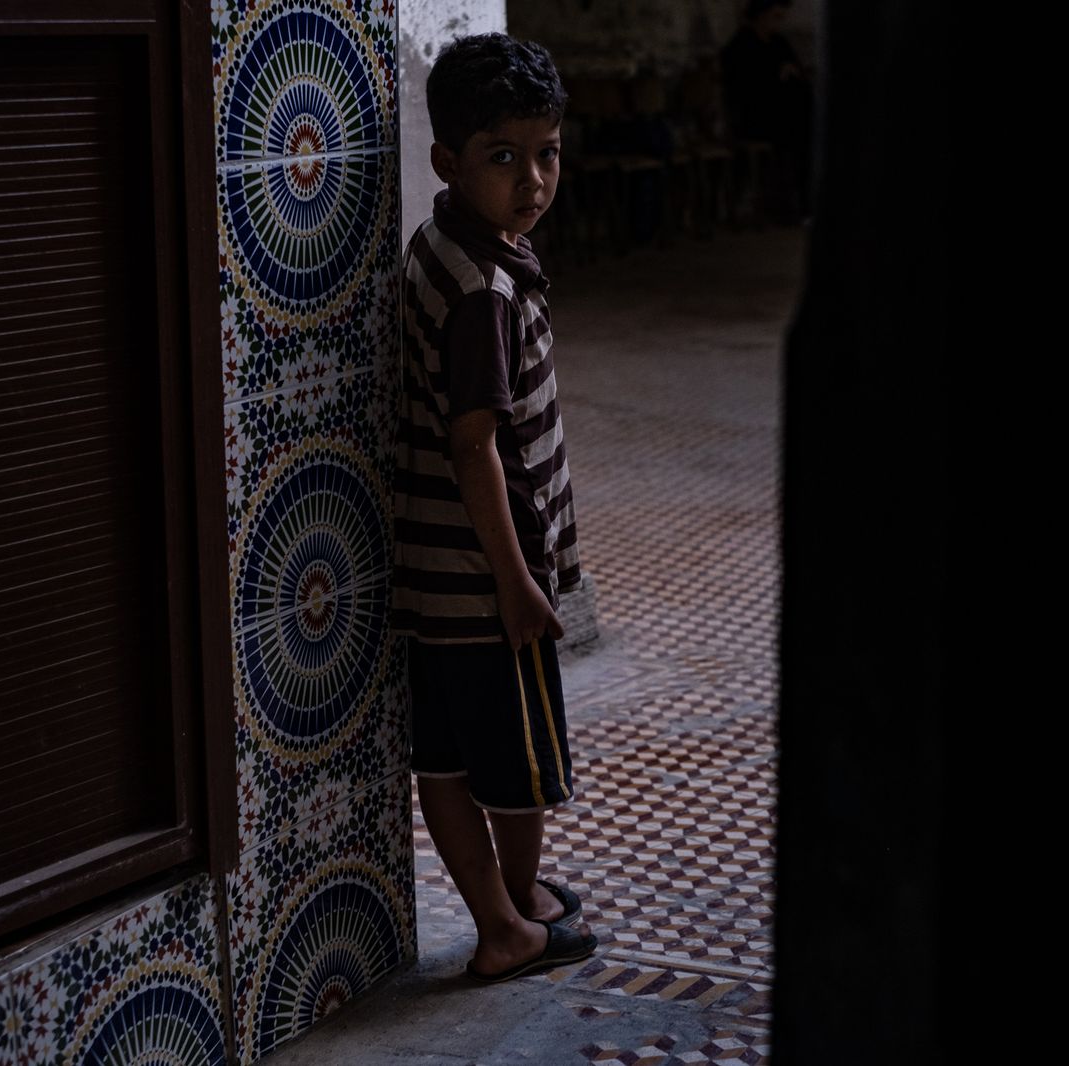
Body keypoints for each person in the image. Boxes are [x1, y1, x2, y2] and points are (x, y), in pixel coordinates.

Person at [392, 32, 597, 984]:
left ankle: (504, 906)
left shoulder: (441, 241)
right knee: (518, 772)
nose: (532, 180)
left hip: (433, 582)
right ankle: (510, 920)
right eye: (503, 158)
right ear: (448, 162)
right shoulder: (485, 291)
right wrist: (519, 584)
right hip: (487, 584)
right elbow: (476, 445)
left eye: (547, 152)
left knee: (443, 759)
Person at [720, 0, 814, 222]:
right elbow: (742, 89)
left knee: (806, 121)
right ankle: (797, 205)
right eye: (775, 16)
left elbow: (796, 70)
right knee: (800, 131)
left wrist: (790, 74)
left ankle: (805, 203)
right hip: (756, 117)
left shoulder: (779, 42)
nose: (778, 23)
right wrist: (776, 76)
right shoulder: (740, 46)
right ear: (760, 15)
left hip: (784, 113)